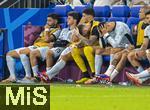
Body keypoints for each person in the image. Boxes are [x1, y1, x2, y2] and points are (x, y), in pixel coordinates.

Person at [2, 13, 61, 83]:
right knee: (9, 54)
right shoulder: (45, 29)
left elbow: (47, 40)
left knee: (23, 52)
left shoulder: (57, 30)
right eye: (47, 21)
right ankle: (12, 77)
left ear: (56, 21)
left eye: (50, 21)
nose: (47, 22)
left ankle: (29, 76)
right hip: (35, 46)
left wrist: (47, 30)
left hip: (42, 47)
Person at [29, 11, 80, 82]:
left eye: (69, 18)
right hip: (57, 46)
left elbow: (68, 43)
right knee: (36, 53)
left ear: (75, 20)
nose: (67, 20)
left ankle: (46, 76)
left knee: (50, 53)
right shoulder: (64, 29)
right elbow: (59, 40)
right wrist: (54, 43)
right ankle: (46, 77)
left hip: (65, 48)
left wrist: (55, 44)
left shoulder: (76, 30)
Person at [126, 11, 150, 86]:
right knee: (131, 55)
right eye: (147, 18)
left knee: (149, 53)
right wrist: (139, 50)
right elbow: (145, 44)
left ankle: (138, 76)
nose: (149, 20)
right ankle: (142, 79)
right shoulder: (147, 29)